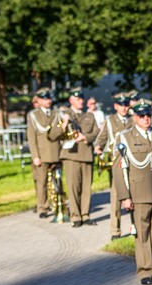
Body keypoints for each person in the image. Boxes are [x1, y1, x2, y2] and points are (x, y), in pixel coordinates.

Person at [112, 100, 152, 285]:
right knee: (142, 233)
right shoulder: (124, 137)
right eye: (142, 115)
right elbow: (118, 170)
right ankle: (145, 271)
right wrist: (124, 196)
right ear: (135, 117)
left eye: (148, 114)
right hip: (138, 193)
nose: (146, 118)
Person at [48, 87, 99, 227]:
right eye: (78, 99)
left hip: (86, 154)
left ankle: (85, 215)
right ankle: (76, 216)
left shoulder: (89, 116)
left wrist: (85, 137)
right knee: (73, 187)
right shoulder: (63, 114)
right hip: (71, 156)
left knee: (86, 187)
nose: (81, 101)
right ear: (71, 100)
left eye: (82, 99)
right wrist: (64, 123)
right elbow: (52, 135)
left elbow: (96, 133)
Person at [93, 92, 134, 239]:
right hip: (117, 163)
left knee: (134, 195)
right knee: (117, 196)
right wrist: (98, 147)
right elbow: (102, 136)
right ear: (116, 106)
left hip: (133, 162)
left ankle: (134, 226)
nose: (124, 108)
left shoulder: (134, 119)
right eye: (121, 105)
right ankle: (115, 231)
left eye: (126, 104)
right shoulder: (110, 120)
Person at [26, 88, 61, 219]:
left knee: (57, 181)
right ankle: (42, 207)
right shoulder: (33, 115)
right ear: (39, 101)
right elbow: (31, 137)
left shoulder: (56, 113)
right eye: (44, 99)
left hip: (55, 153)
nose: (48, 101)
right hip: (42, 154)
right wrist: (35, 156)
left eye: (49, 98)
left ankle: (57, 204)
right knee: (42, 183)